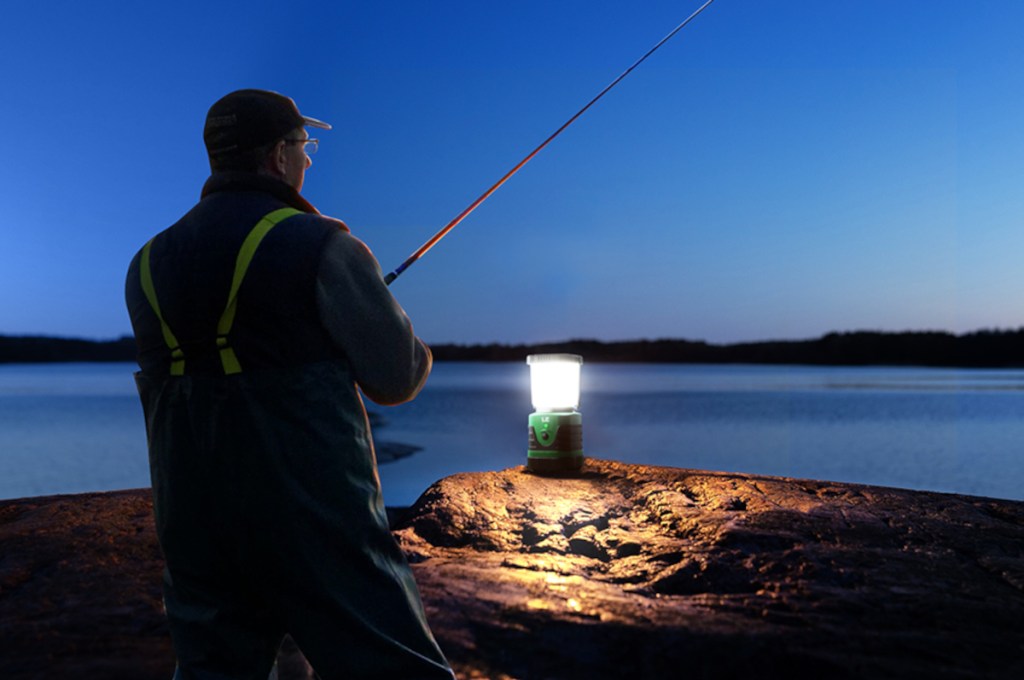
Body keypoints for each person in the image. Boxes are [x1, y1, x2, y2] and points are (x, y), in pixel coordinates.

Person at [125, 89, 454, 679]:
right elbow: (397, 378)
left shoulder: (147, 262)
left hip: (193, 523)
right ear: (279, 154)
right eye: (305, 146)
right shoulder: (322, 243)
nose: (308, 159)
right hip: (314, 520)